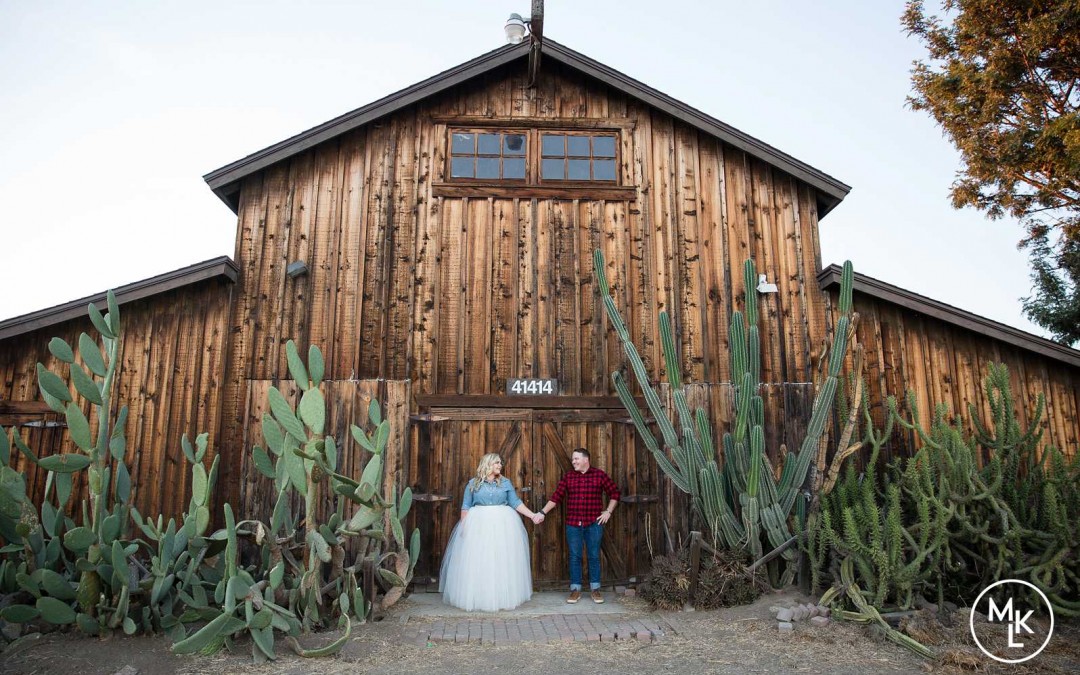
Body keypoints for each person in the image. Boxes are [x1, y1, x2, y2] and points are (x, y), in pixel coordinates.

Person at [439, 453, 543, 611]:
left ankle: (500, 597)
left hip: (502, 524)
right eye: (496, 463)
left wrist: (532, 515)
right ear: (487, 464)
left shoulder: (505, 483)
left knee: (500, 560)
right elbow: (466, 507)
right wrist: (464, 529)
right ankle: (479, 596)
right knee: (480, 560)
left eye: (500, 463)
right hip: (478, 524)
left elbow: (515, 503)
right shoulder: (473, 484)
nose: (499, 465)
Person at [539, 447, 621, 604]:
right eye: (572, 459)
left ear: (586, 460)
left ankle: (595, 590)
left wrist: (608, 512)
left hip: (594, 524)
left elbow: (615, 493)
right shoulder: (569, 477)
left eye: (576, 459)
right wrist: (542, 512)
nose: (573, 461)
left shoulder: (599, 475)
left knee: (593, 556)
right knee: (575, 557)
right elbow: (556, 497)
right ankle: (575, 590)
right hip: (573, 524)